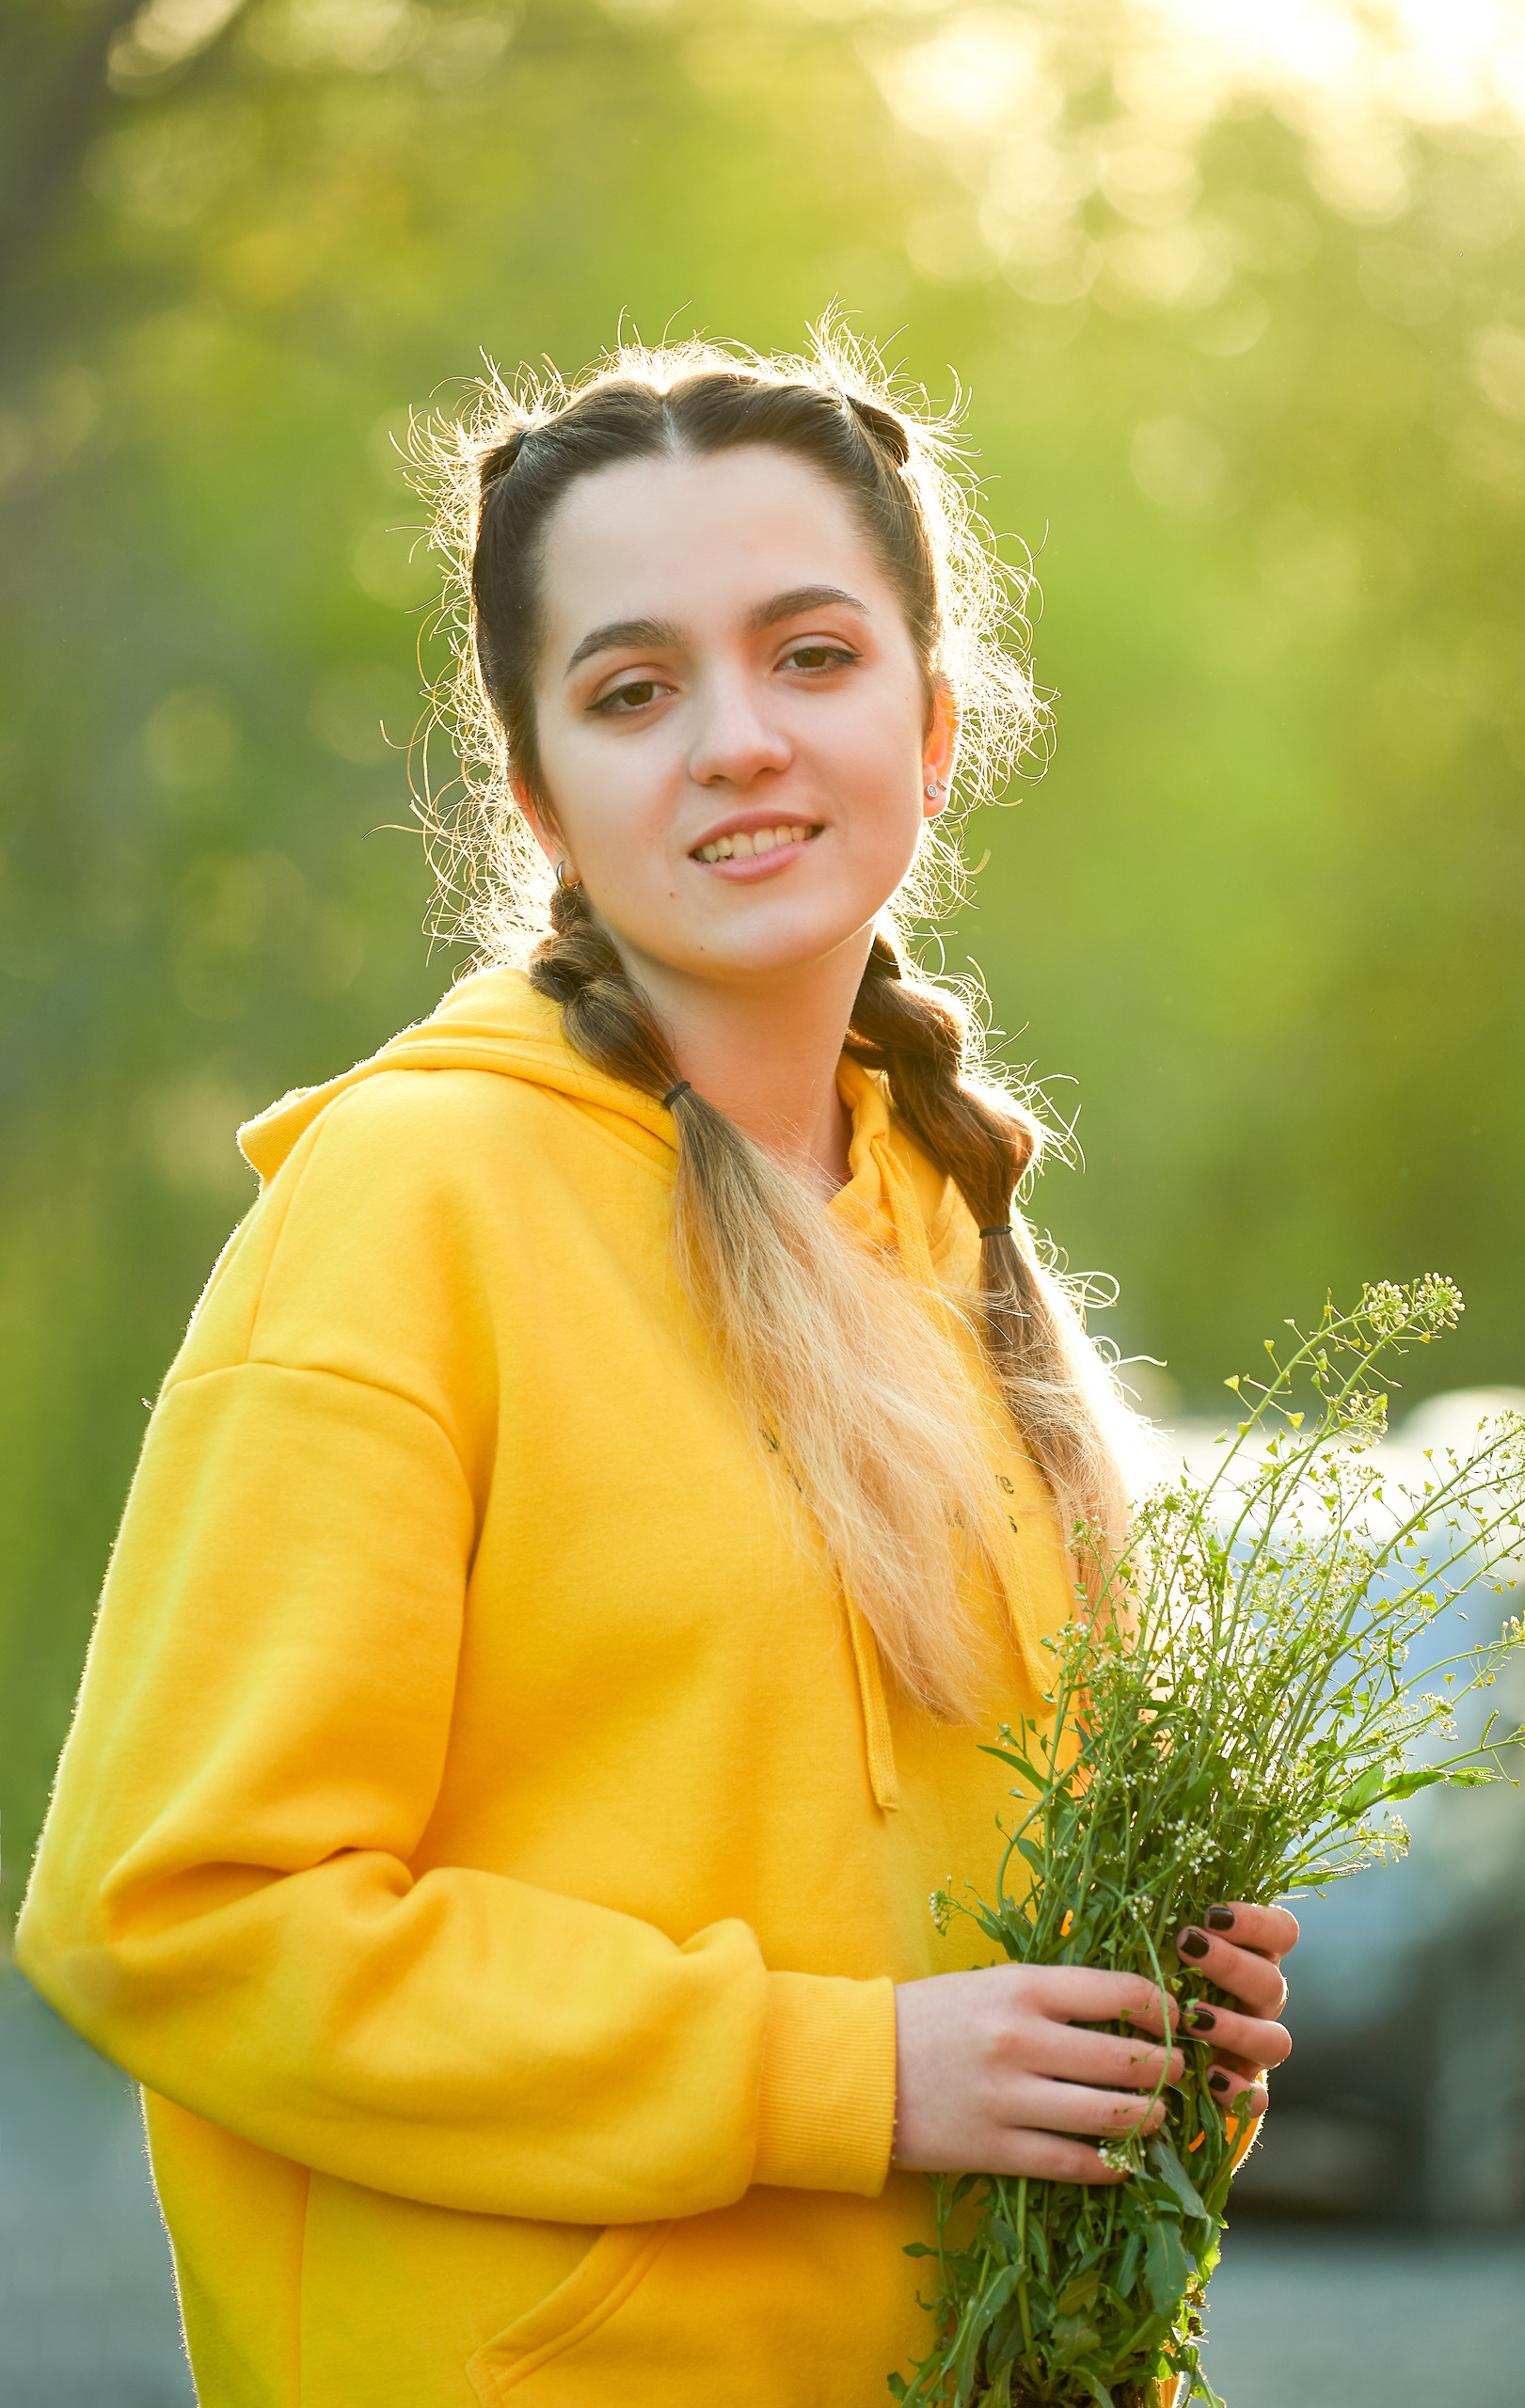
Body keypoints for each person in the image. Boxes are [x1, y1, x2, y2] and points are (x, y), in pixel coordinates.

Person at [14, 335, 1297, 2407]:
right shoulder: (415, 1200)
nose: (736, 743)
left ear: (935, 721)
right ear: (537, 789)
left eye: (810, 655)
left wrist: (1144, 2034)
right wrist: (843, 2069)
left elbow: (918, 1922)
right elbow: (175, 1911)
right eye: (633, 690)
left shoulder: (939, 1215)